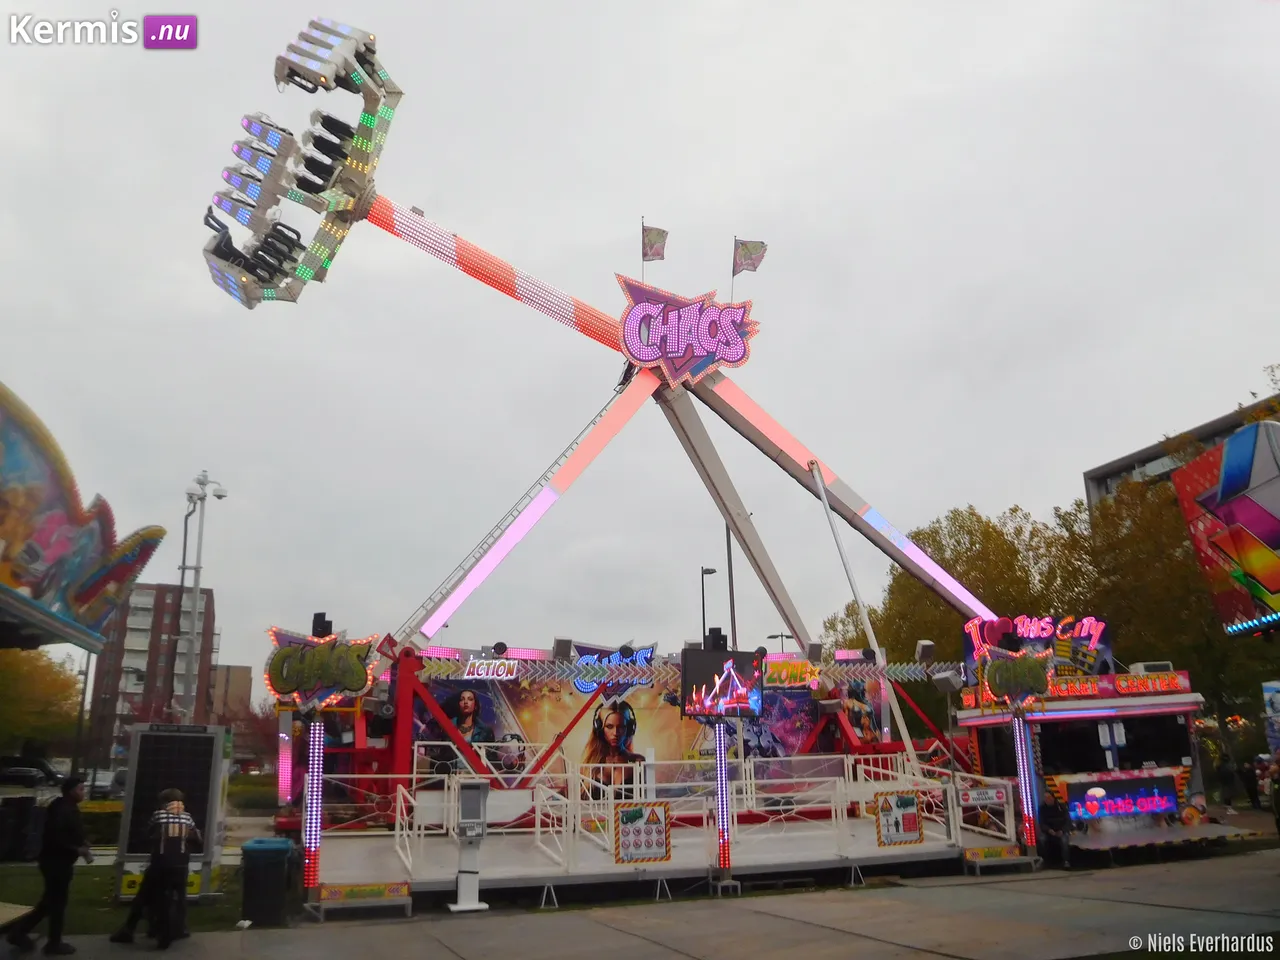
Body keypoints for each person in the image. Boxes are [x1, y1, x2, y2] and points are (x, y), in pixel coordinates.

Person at [6, 777, 91, 955]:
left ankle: (20, 933)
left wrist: (80, 842)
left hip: (57, 861)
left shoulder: (63, 807)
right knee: (57, 903)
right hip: (56, 862)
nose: (84, 792)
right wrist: (78, 849)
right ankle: (53, 942)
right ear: (71, 791)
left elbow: (67, 833)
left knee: (50, 902)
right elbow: (55, 838)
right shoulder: (64, 809)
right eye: (81, 789)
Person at [109, 789, 202, 946]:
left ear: (164, 802)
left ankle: (129, 930)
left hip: (160, 863)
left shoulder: (158, 815)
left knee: (144, 894)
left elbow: (149, 833)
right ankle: (181, 928)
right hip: (181, 864)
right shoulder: (188, 817)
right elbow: (196, 838)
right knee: (180, 896)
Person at [581, 700, 645, 799]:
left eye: (621, 727)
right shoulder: (588, 763)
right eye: (609, 726)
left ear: (629, 728)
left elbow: (647, 799)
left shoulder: (638, 762)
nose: (615, 733)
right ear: (600, 729)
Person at [1037, 789, 1071, 869]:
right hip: (1048, 832)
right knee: (1041, 839)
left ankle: (1066, 861)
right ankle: (1045, 861)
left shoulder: (1061, 807)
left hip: (1061, 831)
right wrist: (1049, 830)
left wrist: (1062, 830)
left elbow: (1068, 821)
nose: (1046, 799)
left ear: (1053, 798)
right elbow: (1042, 823)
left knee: (1064, 840)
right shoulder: (1042, 808)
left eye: (1048, 797)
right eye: (1045, 798)